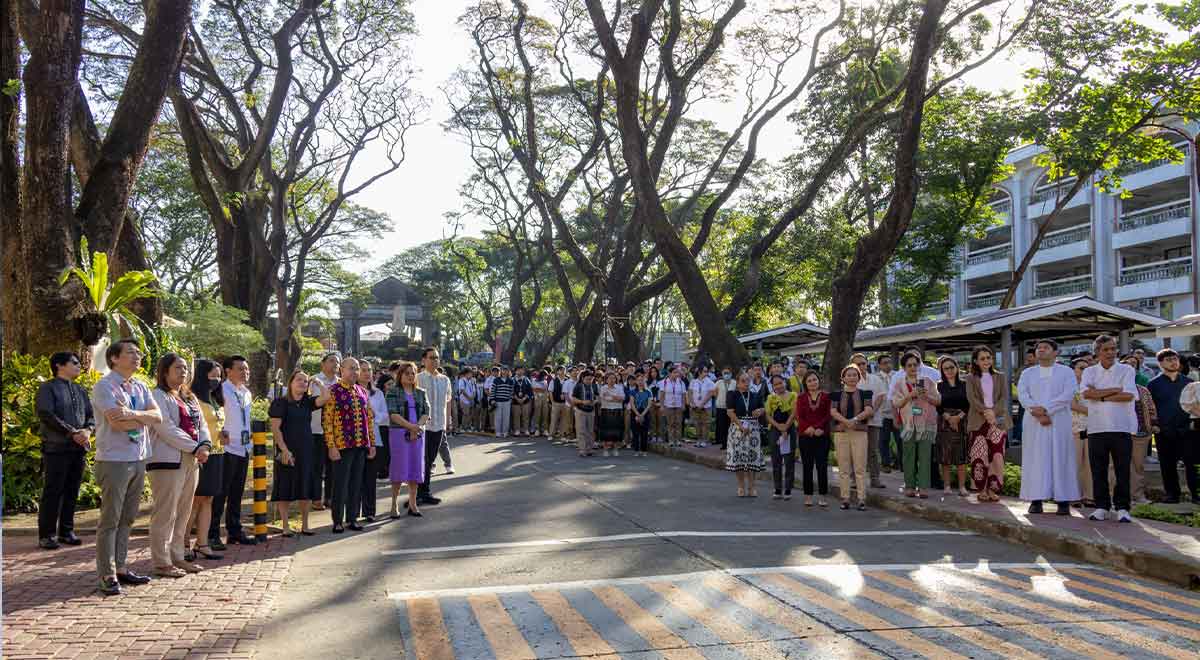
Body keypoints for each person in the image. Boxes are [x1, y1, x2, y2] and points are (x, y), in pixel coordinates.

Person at [92, 339, 163, 595]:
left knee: (128, 518)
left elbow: (158, 417)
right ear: (114, 358)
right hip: (114, 460)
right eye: (131, 353)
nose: (137, 356)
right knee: (110, 519)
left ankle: (121, 567)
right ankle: (107, 573)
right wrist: (141, 417)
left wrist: (132, 415)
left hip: (138, 457)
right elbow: (117, 423)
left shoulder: (140, 386)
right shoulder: (104, 386)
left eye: (138, 353)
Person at [147, 354, 211, 577]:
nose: (183, 371)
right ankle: (161, 561)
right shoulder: (157, 395)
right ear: (165, 371)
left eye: (185, 368)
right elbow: (166, 428)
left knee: (184, 510)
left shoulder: (189, 397)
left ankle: (178, 556)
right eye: (177, 368)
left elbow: (201, 424)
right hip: (167, 460)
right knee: (166, 511)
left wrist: (204, 445)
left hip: (192, 459)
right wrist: (195, 447)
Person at [35, 351, 94, 550]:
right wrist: (71, 433)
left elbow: (90, 417)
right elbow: (46, 414)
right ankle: (47, 535)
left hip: (78, 449)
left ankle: (66, 532)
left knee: (72, 490)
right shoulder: (47, 388)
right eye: (74, 362)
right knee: (53, 490)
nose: (79, 366)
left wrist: (87, 431)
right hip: (56, 448)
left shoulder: (80, 389)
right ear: (60, 365)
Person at [1017, 339, 1080, 516]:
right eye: (1039, 348)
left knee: (1061, 457)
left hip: (1059, 420)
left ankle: (1063, 501)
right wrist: (1036, 411)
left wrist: (1047, 410)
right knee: (1035, 458)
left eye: (1046, 348)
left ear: (1055, 352)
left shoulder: (1066, 372)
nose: (1041, 350)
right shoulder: (1027, 373)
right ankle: (1036, 500)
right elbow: (1023, 394)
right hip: (1034, 420)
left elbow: (1068, 394)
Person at [1080, 335, 1137, 523]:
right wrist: (1114, 390)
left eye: (1113, 349)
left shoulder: (1126, 369)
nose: (1111, 353)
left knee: (1122, 471)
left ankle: (1122, 508)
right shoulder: (1089, 372)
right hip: (1096, 428)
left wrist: (1100, 395)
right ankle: (1101, 507)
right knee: (1098, 470)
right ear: (1097, 352)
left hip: (1121, 427)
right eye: (1106, 349)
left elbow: (1128, 395)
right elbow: (1086, 393)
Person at [270, 369, 330, 536]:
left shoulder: (307, 402)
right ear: (290, 383)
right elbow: (275, 429)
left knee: (305, 487)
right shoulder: (280, 403)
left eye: (305, 381)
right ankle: (285, 526)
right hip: (287, 450)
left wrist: (318, 382)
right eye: (299, 380)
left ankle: (305, 525)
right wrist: (284, 449)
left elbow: (326, 397)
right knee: (285, 487)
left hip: (306, 450)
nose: (303, 383)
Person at [323, 357, 376, 533]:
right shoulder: (333, 391)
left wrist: (372, 443)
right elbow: (327, 421)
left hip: (360, 444)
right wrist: (331, 446)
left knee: (356, 484)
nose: (354, 372)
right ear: (342, 370)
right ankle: (337, 520)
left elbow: (368, 419)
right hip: (341, 446)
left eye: (357, 369)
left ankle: (352, 519)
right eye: (351, 368)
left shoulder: (362, 391)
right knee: (340, 484)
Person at [211, 355, 255, 547]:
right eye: (240, 369)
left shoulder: (246, 392)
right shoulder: (220, 390)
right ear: (228, 371)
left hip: (243, 447)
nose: (245, 372)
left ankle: (234, 530)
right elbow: (214, 415)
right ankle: (212, 533)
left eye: (247, 369)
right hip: (227, 447)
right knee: (221, 492)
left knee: (237, 492)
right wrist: (219, 432)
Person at [1148, 349, 1196, 503]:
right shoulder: (1154, 384)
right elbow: (1150, 407)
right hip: (1164, 430)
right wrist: (1155, 425)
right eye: (1169, 359)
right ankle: (1172, 495)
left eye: (1175, 359)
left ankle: (1196, 494)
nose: (1174, 362)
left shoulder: (1189, 383)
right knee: (1167, 465)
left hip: (1188, 429)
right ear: (1160, 363)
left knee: (1193, 464)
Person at [188, 360, 224, 560]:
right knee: (195, 500)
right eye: (212, 376)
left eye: (219, 376)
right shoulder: (193, 399)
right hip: (200, 453)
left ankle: (202, 543)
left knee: (208, 499)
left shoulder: (215, 399)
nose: (216, 380)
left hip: (218, 452)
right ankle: (184, 543)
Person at [891, 352, 941, 498]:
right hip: (907, 424)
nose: (913, 367)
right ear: (904, 368)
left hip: (926, 424)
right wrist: (909, 395)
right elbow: (896, 403)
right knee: (908, 456)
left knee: (925, 456)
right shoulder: (899, 384)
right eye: (909, 365)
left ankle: (924, 487)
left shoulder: (927, 381)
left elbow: (938, 401)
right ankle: (910, 486)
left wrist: (926, 395)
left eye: (915, 364)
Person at [964, 347, 1009, 503]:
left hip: (997, 421)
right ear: (975, 361)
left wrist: (993, 413)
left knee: (996, 455)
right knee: (980, 455)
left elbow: (1004, 398)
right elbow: (971, 399)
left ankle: (993, 489)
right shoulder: (970, 378)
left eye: (988, 357)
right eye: (982, 358)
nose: (986, 361)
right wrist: (986, 412)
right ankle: (982, 489)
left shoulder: (1000, 377)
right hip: (978, 421)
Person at [388, 361, 429, 517]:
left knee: (415, 469)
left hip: (418, 435)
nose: (411, 376)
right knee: (399, 469)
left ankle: (413, 504)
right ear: (400, 375)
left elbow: (426, 413)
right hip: (399, 434)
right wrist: (410, 427)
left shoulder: (421, 392)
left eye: (413, 373)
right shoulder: (393, 392)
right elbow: (393, 414)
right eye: (407, 373)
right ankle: (393, 505)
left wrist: (417, 426)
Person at [829, 365, 874, 510]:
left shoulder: (865, 393)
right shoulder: (836, 394)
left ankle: (861, 499)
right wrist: (845, 421)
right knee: (843, 467)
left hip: (859, 432)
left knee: (860, 467)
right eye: (848, 375)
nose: (852, 377)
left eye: (855, 375)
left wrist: (854, 419)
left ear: (858, 377)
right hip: (841, 432)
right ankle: (845, 498)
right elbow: (833, 411)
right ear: (843, 378)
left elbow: (869, 410)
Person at [417, 347, 453, 505]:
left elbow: (448, 401)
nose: (435, 361)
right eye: (431, 358)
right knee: (421, 460)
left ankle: (425, 492)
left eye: (437, 358)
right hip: (422, 426)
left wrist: (448, 420)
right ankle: (418, 493)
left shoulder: (445, 380)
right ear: (423, 360)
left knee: (430, 459)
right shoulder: (418, 378)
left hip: (439, 425)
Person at [725, 372, 766, 497]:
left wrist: (760, 411)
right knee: (739, 460)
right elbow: (730, 412)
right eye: (743, 381)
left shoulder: (755, 395)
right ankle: (741, 486)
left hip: (753, 429)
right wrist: (741, 426)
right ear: (737, 383)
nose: (746, 383)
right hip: (738, 428)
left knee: (752, 459)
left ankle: (752, 487)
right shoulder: (732, 394)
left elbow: (763, 409)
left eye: (748, 380)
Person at [794, 371, 831, 507]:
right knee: (807, 467)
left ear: (818, 381)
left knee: (822, 466)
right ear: (805, 383)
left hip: (822, 435)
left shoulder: (827, 397)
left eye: (814, 380)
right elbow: (799, 416)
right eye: (809, 381)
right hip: (806, 436)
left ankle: (822, 496)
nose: (812, 383)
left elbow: (828, 415)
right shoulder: (801, 398)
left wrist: (818, 428)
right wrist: (807, 428)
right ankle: (808, 495)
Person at [308, 353, 339, 512]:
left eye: (338, 362)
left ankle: (330, 497)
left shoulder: (340, 383)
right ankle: (315, 498)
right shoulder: (314, 381)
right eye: (332, 361)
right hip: (316, 429)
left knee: (333, 466)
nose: (335, 364)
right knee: (317, 466)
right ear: (323, 364)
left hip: (335, 431)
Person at [935, 356, 970, 498]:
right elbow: (937, 404)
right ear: (942, 370)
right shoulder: (938, 385)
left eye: (951, 367)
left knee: (961, 455)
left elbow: (969, 403)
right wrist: (948, 418)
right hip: (944, 421)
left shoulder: (965, 384)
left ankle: (962, 487)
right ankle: (947, 486)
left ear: (956, 368)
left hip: (962, 420)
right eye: (945, 368)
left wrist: (958, 417)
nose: (949, 370)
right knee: (946, 455)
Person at [357, 361, 383, 521]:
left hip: (374, 439)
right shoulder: (351, 391)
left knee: (370, 478)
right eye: (363, 370)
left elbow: (384, 415)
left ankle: (369, 511)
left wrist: (372, 415)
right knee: (355, 478)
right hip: (355, 440)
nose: (367, 373)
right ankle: (352, 512)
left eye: (369, 370)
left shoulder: (377, 393)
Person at [765, 374, 798, 500]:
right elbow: (768, 415)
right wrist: (779, 427)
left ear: (785, 382)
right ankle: (778, 488)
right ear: (772, 386)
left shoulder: (793, 395)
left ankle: (788, 488)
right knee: (776, 460)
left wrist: (786, 427)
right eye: (775, 384)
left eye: (780, 383)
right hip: (775, 429)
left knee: (789, 460)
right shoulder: (770, 398)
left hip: (790, 429)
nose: (778, 386)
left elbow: (794, 412)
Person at [866, 355, 899, 475]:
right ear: (879, 365)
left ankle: (900, 463)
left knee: (900, 440)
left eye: (889, 362)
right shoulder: (875, 378)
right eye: (885, 363)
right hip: (883, 414)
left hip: (897, 413)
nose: (888, 365)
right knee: (883, 441)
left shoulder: (897, 375)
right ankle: (886, 464)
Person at [1070, 358, 1093, 507]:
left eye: (1087, 368)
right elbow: (1071, 404)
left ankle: (1089, 496)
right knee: (1074, 464)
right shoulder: (1068, 386)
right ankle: (1073, 496)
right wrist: (1094, 411)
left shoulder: (1092, 386)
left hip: (1092, 429)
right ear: (1073, 370)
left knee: (1091, 465)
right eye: (1081, 368)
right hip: (1073, 429)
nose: (1084, 370)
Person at [598, 371, 625, 457]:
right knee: (605, 431)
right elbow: (604, 398)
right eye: (610, 378)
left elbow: (622, 398)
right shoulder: (603, 388)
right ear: (606, 380)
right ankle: (605, 449)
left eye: (614, 378)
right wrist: (616, 397)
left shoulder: (619, 387)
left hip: (617, 410)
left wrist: (611, 396)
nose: (612, 380)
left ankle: (615, 449)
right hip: (606, 410)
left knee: (617, 431)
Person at [572, 370, 599, 456]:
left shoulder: (594, 386)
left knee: (590, 431)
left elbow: (598, 397)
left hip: (591, 411)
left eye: (591, 379)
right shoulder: (578, 386)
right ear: (583, 378)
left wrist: (594, 402)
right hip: (581, 410)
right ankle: (582, 450)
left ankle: (589, 449)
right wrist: (582, 402)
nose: (589, 381)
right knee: (581, 430)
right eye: (587, 379)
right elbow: (573, 399)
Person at [689, 365, 716, 448]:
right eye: (704, 371)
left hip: (706, 407)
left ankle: (704, 440)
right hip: (695, 407)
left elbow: (710, 394)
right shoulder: (694, 381)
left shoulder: (709, 382)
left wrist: (702, 404)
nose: (706, 373)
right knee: (697, 423)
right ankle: (698, 440)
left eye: (707, 371)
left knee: (706, 424)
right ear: (699, 372)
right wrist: (692, 403)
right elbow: (690, 392)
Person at [660, 367, 687, 447]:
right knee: (670, 423)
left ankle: (678, 440)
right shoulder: (665, 382)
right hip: (668, 405)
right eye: (674, 372)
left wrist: (683, 404)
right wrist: (662, 406)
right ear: (670, 373)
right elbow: (662, 395)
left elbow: (683, 395)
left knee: (678, 423)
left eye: (677, 373)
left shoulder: (681, 382)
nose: (676, 374)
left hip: (678, 405)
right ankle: (671, 440)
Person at [629, 372, 653, 457]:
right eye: (638, 380)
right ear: (636, 381)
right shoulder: (632, 392)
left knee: (644, 433)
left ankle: (644, 450)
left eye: (642, 380)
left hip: (645, 412)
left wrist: (642, 414)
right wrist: (637, 414)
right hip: (635, 412)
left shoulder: (648, 391)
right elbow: (632, 403)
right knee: (635, 432)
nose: (640, 382)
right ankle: (636, 450)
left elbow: (649, 404)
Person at [490, 365, 514, 438]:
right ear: (501, 371)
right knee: (498, 417)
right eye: (503, 370)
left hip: (507, 401)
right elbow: (493, 390)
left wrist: (510, 399)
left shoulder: (510, 380)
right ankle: (498, 432)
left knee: (506, 417)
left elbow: (511, 391)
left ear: (508, 371)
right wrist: (492, 400)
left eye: (506, 370)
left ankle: (505, 432)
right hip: (498, 401)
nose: (505, 371)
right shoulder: (496, 380)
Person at [715, 367, 733, 450]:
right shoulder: (719, 382)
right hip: (721, 407)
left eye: (728, 373)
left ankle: (730, 442)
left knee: (730, 425)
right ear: (722, 374)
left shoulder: (734, 382)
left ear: (731, 374)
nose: (726, 375)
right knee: (722, 426)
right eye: (725, 373)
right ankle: (723, 443)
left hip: (731, 408)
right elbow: (715, 392)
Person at [512, 366, 532, 437]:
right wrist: (517, 398)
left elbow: (530, 390)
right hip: (515, 401)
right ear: (515, 371)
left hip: (525, 401)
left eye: (521, 370)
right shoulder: (512, 379)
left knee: (525, 416)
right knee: (516, 416)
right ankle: (517, 430)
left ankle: (526, 430)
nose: (520, 371)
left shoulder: (526, 379)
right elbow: (511, 390)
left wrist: (524, 398)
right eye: (518, 370)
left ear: (523, 371)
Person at [456, 367, 476, 433]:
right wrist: (469, 398)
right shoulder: (462, 380)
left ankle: (467, 427)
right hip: (464, 400)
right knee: (465, 414)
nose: (472, 375)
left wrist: (472, 397)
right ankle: (463, 427)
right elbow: (462, 390)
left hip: (470, 400)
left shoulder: (471, 381)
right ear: (467, 373)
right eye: (470, 373)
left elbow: (473, 390)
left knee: (470, 414)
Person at [532, 368, 550, 437]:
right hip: (537, 399)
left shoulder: (545, 382)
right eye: (545, 375)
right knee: (537, 414)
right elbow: (534, 389)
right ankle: (537, 430)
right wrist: (541, 389)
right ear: (542, 375)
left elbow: (545, 390)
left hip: (545, 399)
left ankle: (544, 429)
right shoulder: (534, 380)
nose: (546, 377)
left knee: (545, 414)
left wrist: (540, 389)